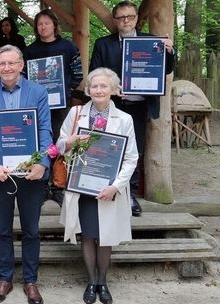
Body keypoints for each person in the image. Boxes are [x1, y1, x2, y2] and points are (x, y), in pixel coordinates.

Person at [0, 45, 52, 304]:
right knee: (2, 228)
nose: (6, 68)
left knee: (31, 229)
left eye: (11, 63)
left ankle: (30, 280)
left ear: (21, 65)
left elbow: (45, 131)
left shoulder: (38, 92)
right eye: (2, 64)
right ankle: (5, 278)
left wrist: (42, 163)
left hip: (30, 174)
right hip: (0, 174)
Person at [57, 68, 138, 304]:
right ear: (88, 89)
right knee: (89, 234)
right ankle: (91, 281)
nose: (99, 90)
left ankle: (103, 282)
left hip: (109, 188)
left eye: (104, 86)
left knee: (106, 237)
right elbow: (60, 144)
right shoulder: (76, 113)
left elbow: (131, 157)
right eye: (94, 86)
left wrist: (116, 186)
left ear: (113, 90)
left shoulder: (124, 119)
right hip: (82, 186)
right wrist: (71, 140)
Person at [89, 0, 176, 216]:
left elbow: (167, 70)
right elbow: (95, 72)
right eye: (121, 17)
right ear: (115, 20)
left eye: (129, 16)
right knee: (110, 148)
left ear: (136, 19)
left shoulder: (152, 41)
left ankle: (129, 194)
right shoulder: (103, 44)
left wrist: (170, 51)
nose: (125, 20)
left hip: (138, 106)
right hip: (112, 105)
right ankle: (106, 190)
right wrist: (112, 87)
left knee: (134, 151)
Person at [23, 9, 84, 205]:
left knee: (60, 142)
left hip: (61, 105)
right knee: (40, 142)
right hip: (37, 107)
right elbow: (23, 77)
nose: (43, 27)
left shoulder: (68, 47)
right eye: (39, 24)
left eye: (46, 23)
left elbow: (77, 72)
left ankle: (58, 184)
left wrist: (66, 90)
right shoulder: (30, 51)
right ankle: (41, 185)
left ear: (54, 25)